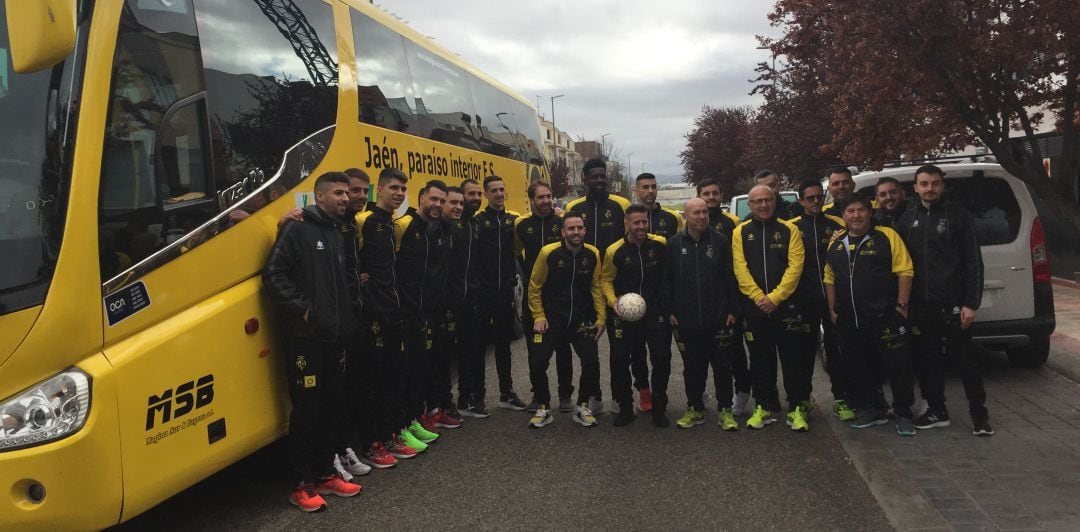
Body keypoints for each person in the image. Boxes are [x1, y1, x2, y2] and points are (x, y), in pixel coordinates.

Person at [263, 171, 362, 512]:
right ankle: (300, 485)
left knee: (331, 406)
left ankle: (323, 474)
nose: (345, 198)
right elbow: (273, 275)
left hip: (333, 338)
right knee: (307, 410)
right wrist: (304, 310)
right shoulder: (297, 227)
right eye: (338, 193)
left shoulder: (335, 231)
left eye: (347, 193)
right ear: (318, 197)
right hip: (305, 340)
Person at [897, 165, 993, 436]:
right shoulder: (908, 218)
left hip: (953, 304)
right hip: (920, 305)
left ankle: (979, 415)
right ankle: (937, 410)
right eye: (924, 184)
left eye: (935, 183)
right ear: (915, 188)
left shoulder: (958, 216)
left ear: (942, 185)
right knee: (928, 362)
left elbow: (973, 261)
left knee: (966, 362)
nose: (930, 188)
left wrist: (970, 303)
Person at [824, 196, 918, 436]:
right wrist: (833, 311)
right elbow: (829, 279)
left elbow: (905, 270)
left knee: (898, 366)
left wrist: (902, 306)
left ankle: (903, 412)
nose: (856, 215)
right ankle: (874, 409)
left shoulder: (886, 236)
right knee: (859, 367)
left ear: (869, 213)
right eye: (850, 211)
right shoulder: (836, 244)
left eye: (861, 210)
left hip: (886, 316)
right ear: (843, 216)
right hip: (850, 319)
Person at [732, 185, 809, 431]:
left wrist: (775, 298)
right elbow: (740, 269)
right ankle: (762, 406)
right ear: (750, 205)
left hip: (785, 307)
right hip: (755, 309)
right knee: (759, 360)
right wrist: (758, 297)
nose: (763, 205)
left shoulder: (790, 230)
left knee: (793, 359)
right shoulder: (740, 232)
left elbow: (795, 266)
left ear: (774, 201)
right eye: (757, 201)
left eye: (767, 200)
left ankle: (797, 408)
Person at [355, 168, 419, 462]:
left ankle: (390, 435)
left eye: (403, 190)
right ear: (378, 190)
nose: (398, 193)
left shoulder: (392, 224)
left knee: (394, 376)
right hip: (372, 315)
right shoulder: (362, 220)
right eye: (393, 188)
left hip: (394, 313)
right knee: (373, 382)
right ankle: (372, 443)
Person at [663, 198, 742, 430]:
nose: (702, 217)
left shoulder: (719, 241)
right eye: (696, 213)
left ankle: (725, 409)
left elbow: (730, 277)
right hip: (686, 319)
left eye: (705, 212)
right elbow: (667, 280)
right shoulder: (674, 244)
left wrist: (732, 310)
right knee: (693, 367)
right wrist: (668, 310)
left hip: (717, 317)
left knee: (722, 366)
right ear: (684, 217)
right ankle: (695, 408)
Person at [395, 179, 461, 451]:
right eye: (434, 199)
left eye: (441, 201)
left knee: (427, 366)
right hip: (407, 313)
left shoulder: (433, 228)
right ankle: (408, 422)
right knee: (409, 371)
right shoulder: (404, 226)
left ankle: (423, 415)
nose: (438, 205)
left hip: (430, 312)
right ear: (421, 197)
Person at [526, 212, 606, 428]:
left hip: (580, 319)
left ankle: (582, 406)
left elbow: (596, 286)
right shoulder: (548, 253)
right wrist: (539, 316)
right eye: (571, 228)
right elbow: (534, 286)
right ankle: (543, 407)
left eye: (579, 228)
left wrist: (601, 317)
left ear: (585, 230)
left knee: (590, 361)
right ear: (563, 232)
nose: (576, 232)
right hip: (552, 319)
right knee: (538, 361)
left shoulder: (593, 254)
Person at [601, 205, 670, 427]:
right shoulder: (615, 250)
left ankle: (659, 407)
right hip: (625, 314)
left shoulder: (659, 244)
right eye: (636, 222)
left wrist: (665, 306)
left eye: (644, 222)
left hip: (654, 312)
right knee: (620, 360)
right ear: (627, 224)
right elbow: (606, 280)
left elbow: (668, 276)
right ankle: (625, 407)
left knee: (661, 357)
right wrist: (614, 303)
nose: (641, 226)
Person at [789, 180, 852, 421]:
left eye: (819, 197)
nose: (815, 201)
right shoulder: (792, 227)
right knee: (803, 353)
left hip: (834, 298)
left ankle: (841, 399)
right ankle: (802, 400)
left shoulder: (837, 224)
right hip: (804, 299)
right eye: (810, 198)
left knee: (836, 351)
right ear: (801, 201)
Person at [515, 181, 576, 413]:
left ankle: (565, 396)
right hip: (534, 298)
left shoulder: (562, 223)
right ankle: (539, 396)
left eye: (549, 196)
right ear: (531, 200)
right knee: (536, 353)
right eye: (540, 197)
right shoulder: (522, 225)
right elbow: (515, 253)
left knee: (563, 349)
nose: (546, 201)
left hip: (559, 297)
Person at [696, 177, 750, 415]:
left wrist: (733, 304)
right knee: (705, 351)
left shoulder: (733, 222)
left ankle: (741, 391)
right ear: (699, 196)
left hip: (728, 297)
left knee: (735, 349)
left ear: (721, 195)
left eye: (715, 193)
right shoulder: (690, 223)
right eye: (706, 194)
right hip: (703, 301)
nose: (711, 198)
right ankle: (703, 392)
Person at [474, 175, 527, 410]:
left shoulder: (513, 220)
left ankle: (507, 393)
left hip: (505, 292)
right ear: (486, 194)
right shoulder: (478, 221)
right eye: (493, 190)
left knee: (504, 346)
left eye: (501, 189)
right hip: (482, 293)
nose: (499, 194)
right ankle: (478, 396)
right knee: (479, 346)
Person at [448, 180, 490, 418]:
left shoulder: (476, 224)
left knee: (477, 350)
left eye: (477, 194)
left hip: (475, 299)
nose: (474, 198)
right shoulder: (451, 227)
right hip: (455, 302)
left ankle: (477, 396)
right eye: (469, 194)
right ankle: (464, 398)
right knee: (462, 353)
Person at [567, 158, 632, 259]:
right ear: (585, 180)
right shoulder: (573, 207)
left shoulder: (622, 204)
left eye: (602, 176)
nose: (599, 180)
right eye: (594, 177)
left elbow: (629, 238)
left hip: (613, 266)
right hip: (584, 266)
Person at [634, 172, 682, 239]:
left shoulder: (673, 217)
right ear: (636, 191)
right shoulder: (629, 217)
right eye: (645, 187)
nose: (651, 191)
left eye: (653, 187)